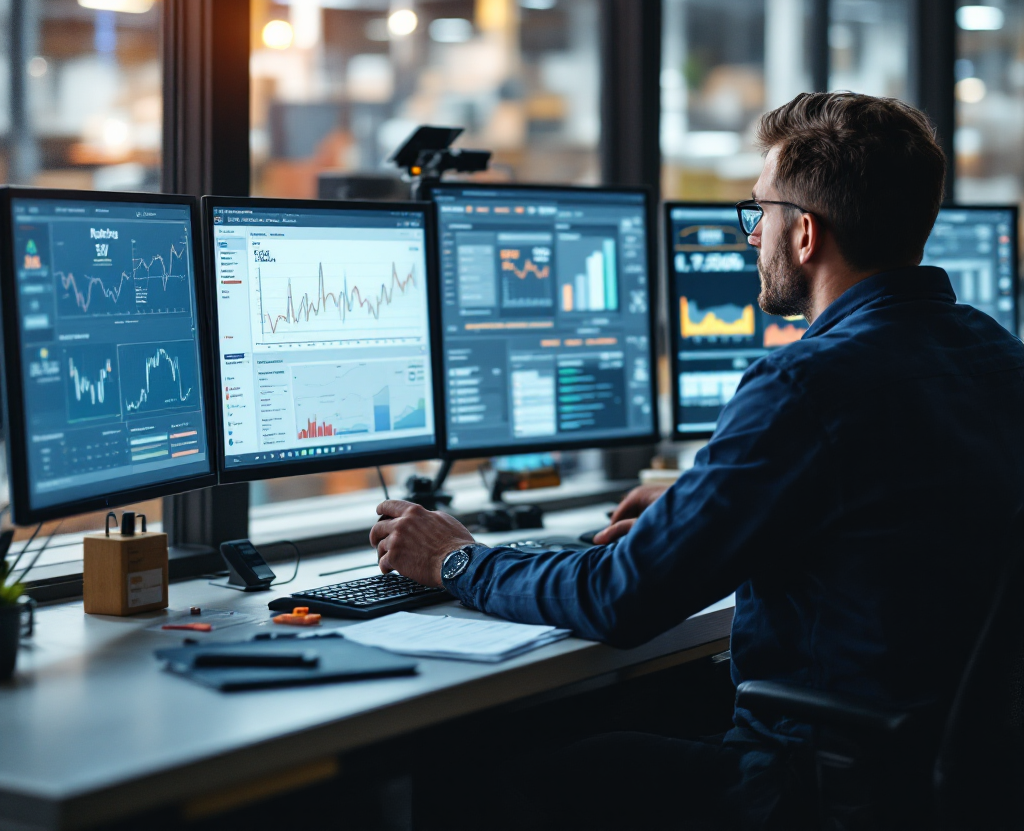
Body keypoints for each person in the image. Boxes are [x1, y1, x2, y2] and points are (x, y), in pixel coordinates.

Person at [369, 91, 1024, 829]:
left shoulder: (806, 384)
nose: (753, 237)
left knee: (492, 773)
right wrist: (701, 505)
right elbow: (897, 518)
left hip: (813, 786)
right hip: (950, 781)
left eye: (760, 213)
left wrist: (457, 561)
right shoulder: (1002, 360)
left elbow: (618, 598)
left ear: (804, 233)